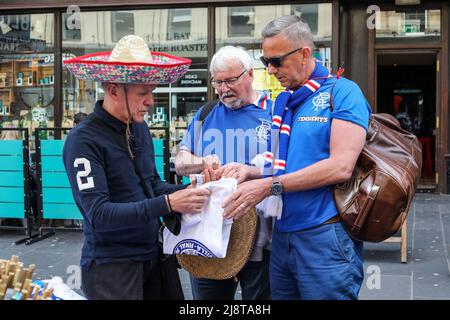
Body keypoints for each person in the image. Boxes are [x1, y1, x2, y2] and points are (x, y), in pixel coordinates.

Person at [222, 15, 372, 300]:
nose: (271, 70)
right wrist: (250, 171)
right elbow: (288, 161)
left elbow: (341, 166)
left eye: (276, 61)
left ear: (305, 53)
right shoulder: (287, 100)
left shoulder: (342, 92)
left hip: (325, 234)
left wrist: (269, 186)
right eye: (266, 62)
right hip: (283, 234)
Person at [62, 35, 212, 300]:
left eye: (151, 91)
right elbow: (98, 214)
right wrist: (169, 203)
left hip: (155, 256)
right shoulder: (83, 140)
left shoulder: (139, 128)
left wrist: (193, 188)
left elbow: (150, 185)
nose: (151, 101)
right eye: (143, 93)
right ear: (113, 90)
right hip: (113, 268)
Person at [175, 46, 272, 300]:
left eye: (230, 80)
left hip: (259, 238)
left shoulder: (273, 112)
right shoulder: (206, 114)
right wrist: (203, 162)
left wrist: (251, 171)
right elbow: (180, 162)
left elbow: (290, 166)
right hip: (208, 236)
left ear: (250, 74)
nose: (224, 88)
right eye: (218, 82)